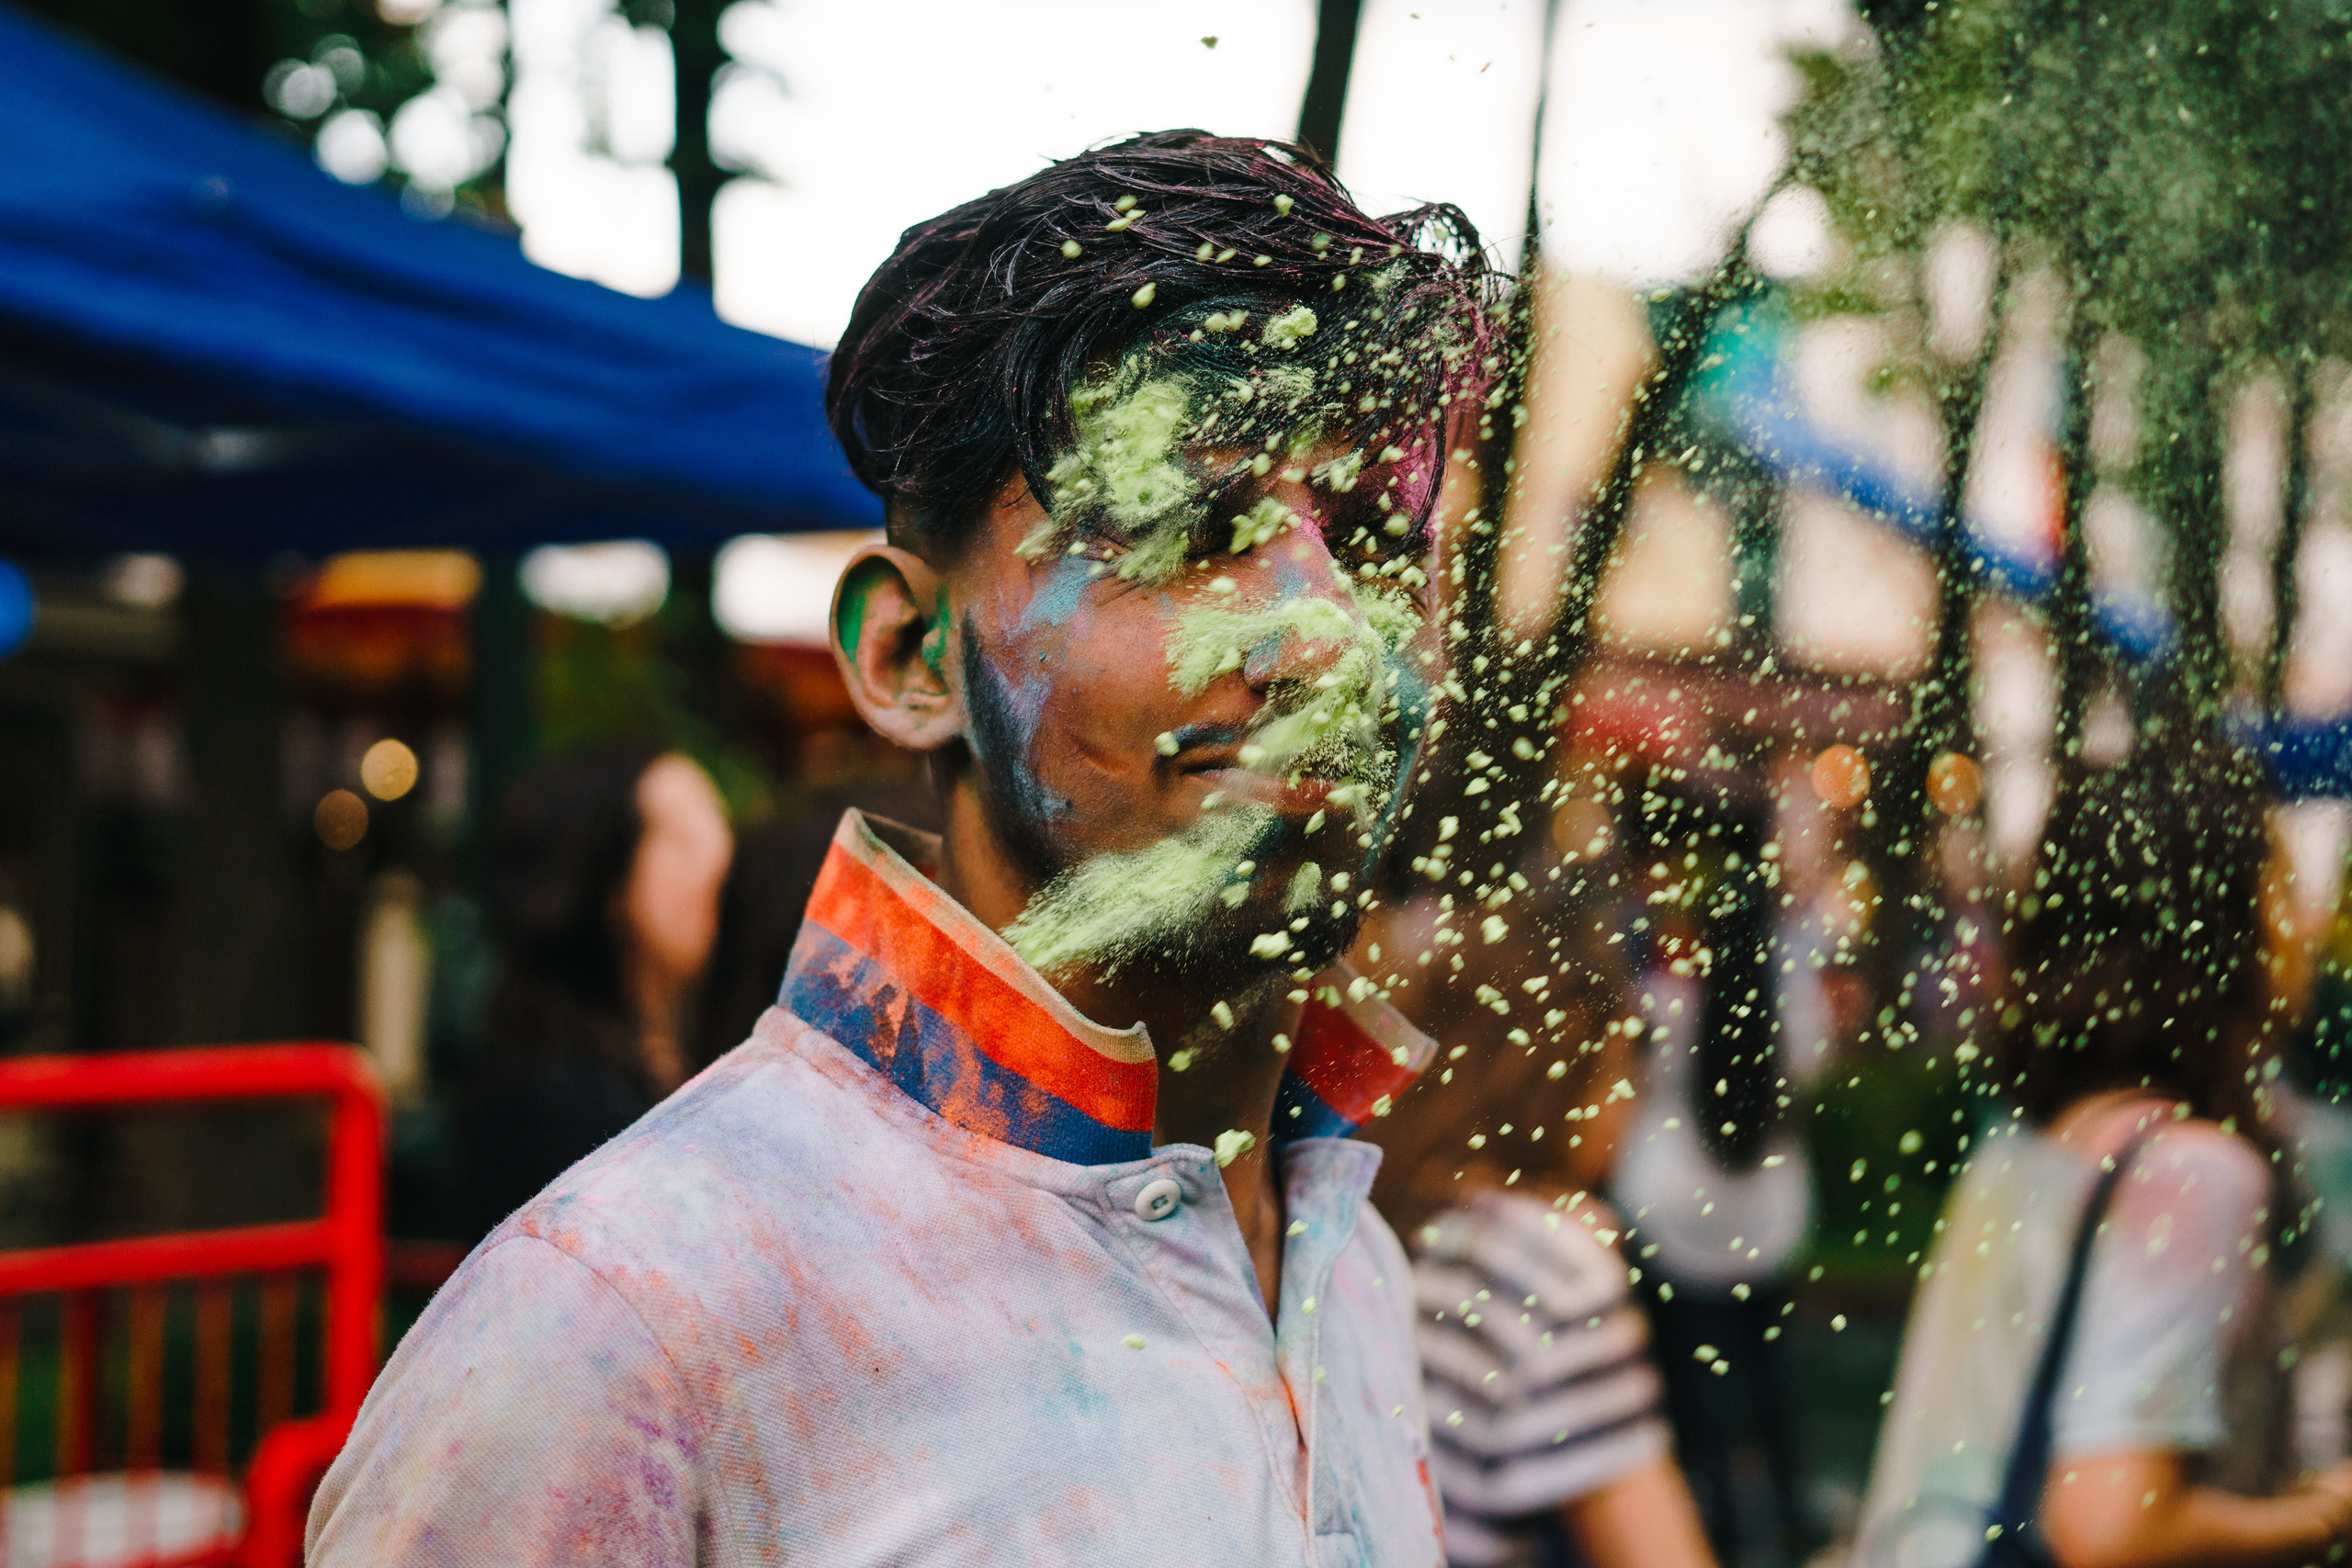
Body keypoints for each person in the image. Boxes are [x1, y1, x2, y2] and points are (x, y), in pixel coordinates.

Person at [310, 131, 1502, 1565]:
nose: (1331, 632)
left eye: (1378, 540)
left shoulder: (1342, 1248)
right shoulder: (628, 1323)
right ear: (909, 653)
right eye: (1190, 524)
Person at [1857, 731, 2352, 1568]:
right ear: (2219, 925)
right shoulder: (2191, 1174)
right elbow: (2108, 1527)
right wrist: (2328, 1511)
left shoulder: (2025, 1149)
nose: (2292, 914)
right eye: (2272, 881)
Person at [1360, 837, 1716, 1568]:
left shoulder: (1376, 1203)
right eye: (1625, 1063)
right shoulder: (1547, 1260)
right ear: (1565, 1070)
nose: (1631, 1098)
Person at [457, 748, 733, 1238]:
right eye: (681, 837)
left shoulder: (671, 1064)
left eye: (719, 825)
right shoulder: (553, 1108)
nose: (718, 858)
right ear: (606, 883)